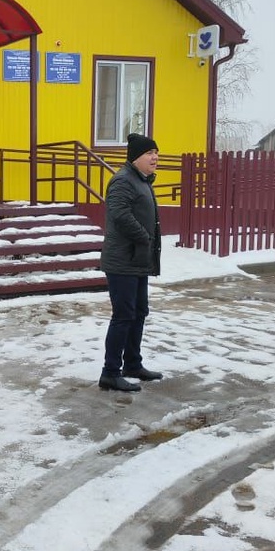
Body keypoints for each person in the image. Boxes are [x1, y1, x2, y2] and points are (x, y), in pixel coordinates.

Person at [98, 132, 164, 393]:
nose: (155, 157)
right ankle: (110, 372)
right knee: (123, 316)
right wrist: (144, 236)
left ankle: (133, 364)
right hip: (122, 261)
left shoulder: (142, 181)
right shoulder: (123, 181)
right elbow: (119, 214)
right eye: (150, 153)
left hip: (137, 260)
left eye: (156, 152)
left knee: (138, 313)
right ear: (136, 157)